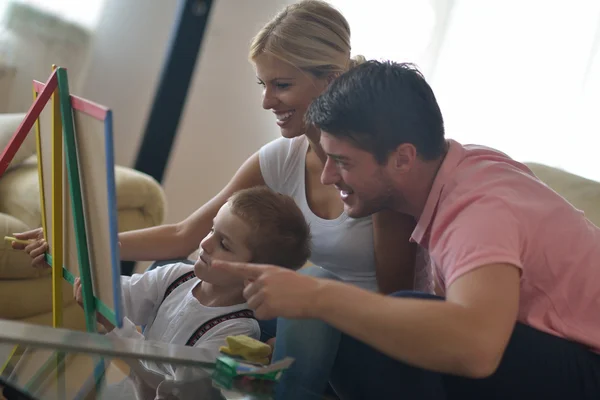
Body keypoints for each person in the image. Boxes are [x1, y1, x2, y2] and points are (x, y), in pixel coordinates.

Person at [14, 1, 422, 397]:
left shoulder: (374, 170)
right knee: (184, 273)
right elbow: (183, 234)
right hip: (300, 317)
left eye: (282, 85)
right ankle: (165, 386)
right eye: (264, 84)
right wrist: (82, 244)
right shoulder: (282, 157)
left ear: (331, 80)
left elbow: (394, 304)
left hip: (355, 334)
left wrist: (288, 329)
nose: (267, 101)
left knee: (299, 290)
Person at [212, 60, 600, 399]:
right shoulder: (450, 172)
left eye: (342, 162)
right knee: (302, 329)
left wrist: (320, 297)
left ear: (403, 158)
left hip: (589, 366)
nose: (329, 177)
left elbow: (477, 347)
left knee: (359, 327)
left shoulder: (477, 206)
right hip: (554, 357)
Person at [73, 187, 311, 394]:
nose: (205, 243)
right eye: (211, 230)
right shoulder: (177, 275)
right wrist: (98, 275)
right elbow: (123, 295)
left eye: (224, 244)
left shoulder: (236, 331)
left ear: (253, 275)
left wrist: (114, 325)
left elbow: (167, 388)